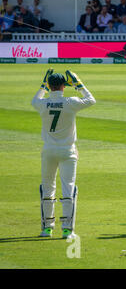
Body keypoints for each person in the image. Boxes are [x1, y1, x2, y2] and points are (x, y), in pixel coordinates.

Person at [32, 69, 96, 238]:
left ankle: (47, 229)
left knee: (47, 188)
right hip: (68, 151)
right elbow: (91, 100)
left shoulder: (42, 103)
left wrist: (42, 86)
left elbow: (35, 99)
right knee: (68, 188)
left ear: (49, 86)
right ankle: (67, 230)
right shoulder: (70, 102)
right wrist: (78, 84)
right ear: (63, 86)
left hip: (49, 151)